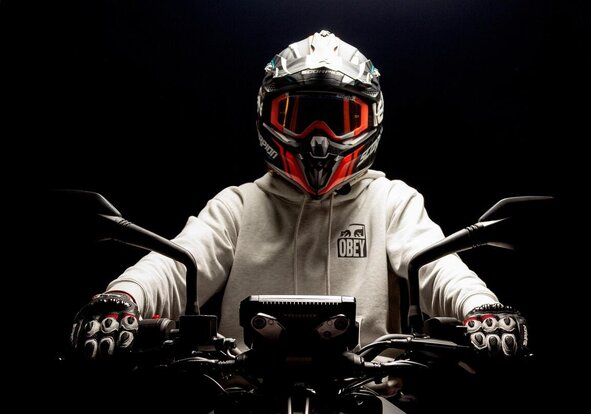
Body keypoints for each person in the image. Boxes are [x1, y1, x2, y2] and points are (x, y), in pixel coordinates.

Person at [71, 30, 528, 361]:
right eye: (298, 117)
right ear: (266, 116)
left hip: (370, 391)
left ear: (370, 120)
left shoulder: (392, 202)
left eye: (341, 120)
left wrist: (480, 309)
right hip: (243, 391)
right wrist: (122, 299)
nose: (319, 139)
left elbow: (439, 268)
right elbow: (177, 265)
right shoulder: (239, 205)